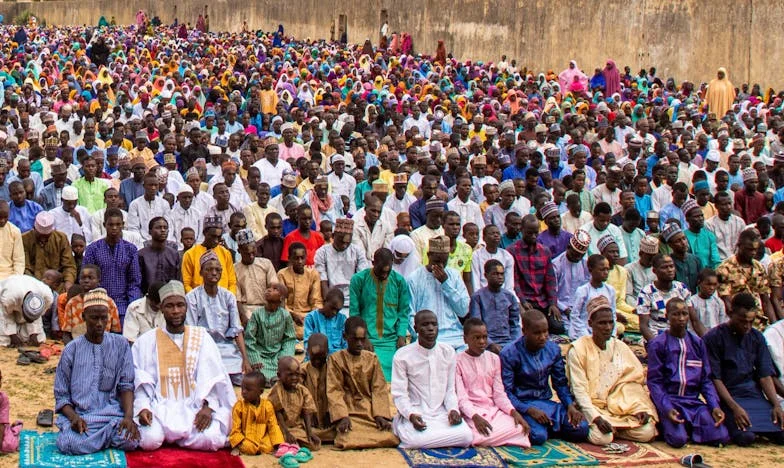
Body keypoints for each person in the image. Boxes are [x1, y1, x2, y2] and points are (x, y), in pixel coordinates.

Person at [132, 280, 237, 451]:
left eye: (180, 305)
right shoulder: (146, 341)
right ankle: (178, 437)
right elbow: (141, 382)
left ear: (186, 307)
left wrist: (208, 407)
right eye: (170, 306)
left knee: (211, 438)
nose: (175, 311)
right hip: (160, 409)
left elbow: (216, 379)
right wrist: (143, 407)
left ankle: (172, 437)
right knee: (149, 440)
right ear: (161, 308)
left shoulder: (202, 337)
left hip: (195, 408)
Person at [54, 288, 139, 454]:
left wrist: (128, 418)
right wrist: (74, 418)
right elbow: (61, 395)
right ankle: (103, 440)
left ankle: (97, 440)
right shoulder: (72, 349)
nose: (99, 323)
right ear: (84, 316)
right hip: (82, 417)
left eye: (103, 318)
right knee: (69, 443)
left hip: (113, 416)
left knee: (131, 440)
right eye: (94, 318)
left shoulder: (121, 345)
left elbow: (126, 385)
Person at [567, 296, 658, 445]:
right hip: (591, 408)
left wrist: (639, 408)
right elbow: (579, 391)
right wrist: (596, 418)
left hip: (619, 408)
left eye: (611, 322)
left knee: (646, 432)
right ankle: (613, 430)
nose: (608, 327)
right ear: (590, 324)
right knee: (603, 438)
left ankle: (616, 429)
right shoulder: (578, 349)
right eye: (602, 323)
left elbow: (632, 383)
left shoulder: (620, 347)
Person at [646, 298, 729, 448]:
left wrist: (714, 406)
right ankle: (674, 427)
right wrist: (666, 408)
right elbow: (655, 382)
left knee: (721, 436)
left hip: (692, 402)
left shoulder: (698, 343)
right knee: (678, 440)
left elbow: (706, 380)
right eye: (676, 314)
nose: (681, 318)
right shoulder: (658, 344)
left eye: (684, 314)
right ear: (667, 316)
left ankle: (690, 427)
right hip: (670, 401)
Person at [704, 293, 784, 446]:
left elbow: (765, 375)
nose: (747, 326)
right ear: (730, 313)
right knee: (746, 437)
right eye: (742, 321)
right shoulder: (714, 337)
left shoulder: (757, 337)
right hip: (728, 397)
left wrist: (776, 405)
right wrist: (734, 408)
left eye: (751, 322)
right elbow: (715, 378)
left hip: (753, 395)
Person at [501, 310, 589, 445]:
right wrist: (529, 410)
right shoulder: (509, 353)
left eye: (545, 332)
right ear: (524, 331)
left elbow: (560, 383)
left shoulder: (553, 349)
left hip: (546, 404)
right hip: (523, 404)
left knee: (582, 428)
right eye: (537, 333)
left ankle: (550, 425)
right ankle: (549, 427)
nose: (543, 337)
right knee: (538, 436)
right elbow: (506, 393)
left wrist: (570, 406)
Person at [391, 310, 473, 449]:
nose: (430, 329)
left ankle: (430, 439)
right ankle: (411, 432)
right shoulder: (402, 356)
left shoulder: (448, 352)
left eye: (434, 324)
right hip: (417, 413)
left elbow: (450, 390)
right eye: (425, 325)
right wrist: (411, 415)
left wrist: (453, 410)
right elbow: (399, 394)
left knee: (466, 436)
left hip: (442, 414)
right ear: (415, 328)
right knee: (414, 440)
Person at [455, 318, 531, 447]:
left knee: (520, 428)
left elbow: (499, 394)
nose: (482, 342)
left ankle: (489, 439)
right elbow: (461, 398)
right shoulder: (457, 361)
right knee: (470, 436)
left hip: (493, 410)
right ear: (465, 339)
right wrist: (475, 416)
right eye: (477, 338)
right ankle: (492, 438)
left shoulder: (494, 359)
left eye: (485, 337)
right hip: (471, 413)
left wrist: (513, 412)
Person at [326, 316, 399, 449]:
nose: (359, 343)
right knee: (346, 438)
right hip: (348, 410)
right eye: (355, 339)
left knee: (390, 437)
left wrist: (380, 415)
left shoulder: (372, 359)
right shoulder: (335, 359)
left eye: (362, 339)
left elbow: (379, 388)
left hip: (369, 410)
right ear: (345, 337)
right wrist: (342, 416)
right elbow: (334, 390)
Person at [349, 248, 411, 380]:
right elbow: (354, 314)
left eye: (388, 272)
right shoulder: (358, 280)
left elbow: (403, 313)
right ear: (373, 263)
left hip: (392, 340)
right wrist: (363, 338)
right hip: (368, 339)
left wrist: (401, 336)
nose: (384, 275)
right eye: (381, 271)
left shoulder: (399, 281)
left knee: (398, 374)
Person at [407, 236, 470, 350]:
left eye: (444, 261)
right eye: (436, 261)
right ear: (428, 255)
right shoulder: (414, 278)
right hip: (426, 338)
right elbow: (410, 314)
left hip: (455, 336)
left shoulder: (454, 276)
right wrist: (419, 335)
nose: (440, 265)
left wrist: (446, 283)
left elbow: (463, 310)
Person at [82, 208, 142, 320]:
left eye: (118, 224)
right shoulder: (93, 249)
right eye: (111, 224)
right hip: (98, 304)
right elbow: (87, 280)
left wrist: (132, 305)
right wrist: (97, 301)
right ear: (105, 225)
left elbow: (134, 281)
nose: (114, 228)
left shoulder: (130, 249)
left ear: (123, 225)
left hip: (123, 305)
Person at [509, 214, 563, 334]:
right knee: (531, 328)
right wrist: (522, 301)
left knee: (558, 327)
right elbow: (514, 282)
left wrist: (553, 304)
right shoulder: (512, 251)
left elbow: (550, 280)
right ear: (522, 230)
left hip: (542, 301)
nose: (533, 236)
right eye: (529, 233)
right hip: (525, 301)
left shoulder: (545, 251)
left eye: (536, 233)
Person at [716, 228, 779, 328]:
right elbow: (727, 301)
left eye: (755, 249)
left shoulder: (759, 267)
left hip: (760, 322)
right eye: (749, 249)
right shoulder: (725, 269)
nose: (753, 253)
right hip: (739, 323)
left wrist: (775, 326)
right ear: (739, 246)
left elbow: (765, 300)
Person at [637, 254, 696, 342]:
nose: (670, 270)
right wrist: (657, 345)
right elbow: (644, 326)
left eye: (671, 266)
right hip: (657, 338)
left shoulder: (681, 288)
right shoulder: (646, 293)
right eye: (664, 267)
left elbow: (694, 319)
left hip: (680, 337)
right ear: (654, 271)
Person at [244, 283, 297, 381]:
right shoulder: (257, 314)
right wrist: (255, 358)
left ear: (281, 298)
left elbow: (290, 339)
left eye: (274, 289)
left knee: (288, 367)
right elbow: (249, 338)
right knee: (258, 371)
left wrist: (284, 356)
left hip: (278, 354)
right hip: (260, 354)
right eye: (268, 288)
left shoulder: (285, 315)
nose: (269, 290)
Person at [268, 356, 322, 451]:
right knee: (280, 440)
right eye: (290, 375)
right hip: (281, 427)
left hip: (297, 427)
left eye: (297, 374)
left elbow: (306, 412)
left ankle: (294, 443)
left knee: (314, 445)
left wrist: (309, 432)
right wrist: (286, 432)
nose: (294, 378)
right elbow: (278, 412)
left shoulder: (302, 390)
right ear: (279, 375)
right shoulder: (278, 389)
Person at [314, 218, 369, 310]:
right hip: (331, 298)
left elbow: (360, 281)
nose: (344, 245)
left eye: (347, 242)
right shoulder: (322, 252)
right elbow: (323, 281)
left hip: (353, 298)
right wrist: (330, 304)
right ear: (333, 235)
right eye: (341, 241)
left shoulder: (357, 251)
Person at [468, 259, 521, 352]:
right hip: (485, 343)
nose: (500, 277)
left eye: (501, 274)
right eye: (495, 274)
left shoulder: (510, 297)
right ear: (486, 276)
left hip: (508, 342)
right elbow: (476, 325)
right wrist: (490, 344)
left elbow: (515, 325)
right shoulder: (477, 297)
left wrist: (513, 344)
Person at [228, 371, 284, 455]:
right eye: (242, 388)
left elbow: (273, 426)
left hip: (262, 438)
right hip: (246, 439)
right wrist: (236, 444)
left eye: (248, 389)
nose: (243, 392)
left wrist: (277, 444)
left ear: (260, 391)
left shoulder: (267, 406)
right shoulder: (239, 406)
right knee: (248, 446)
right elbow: (236, 428)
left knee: (268, 446)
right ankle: (241, 448)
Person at [278, 242, 323, 342]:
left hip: (307, 317)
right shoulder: (282, 274)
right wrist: (292, 315)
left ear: (306, 257)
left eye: (302, 258)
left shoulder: (313, 274)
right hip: (288, 316)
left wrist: (311, 318)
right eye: (296, 258)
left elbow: (316, 301)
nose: (300, 261)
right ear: (289, 258)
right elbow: (281, 303)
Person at [22, 212, 77, 291]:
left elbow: (69, 266)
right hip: (32, 284)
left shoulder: (61, 238)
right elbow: (24, 267)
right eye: (40, 236)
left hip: (57, 286)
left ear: (53, 230)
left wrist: (68, 283)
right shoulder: (24, 239)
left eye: (46, 236)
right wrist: (36, 285)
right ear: (34, 228)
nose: (43, 239)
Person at [181, 216, 236, 294]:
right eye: (213, 236)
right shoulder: (190, 254)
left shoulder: (225, 253)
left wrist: (228, 298)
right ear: (204, 233)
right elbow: (186, 284)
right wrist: (196, 299)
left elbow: (232, 282)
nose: (216, 241)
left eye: (219, 237)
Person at [234, 229, 277, 324]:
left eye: (253, 252)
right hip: (247, 310)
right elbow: (237, 299)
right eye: (247, 253)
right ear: (239, 251)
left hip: (267, 307)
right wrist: (243, 317)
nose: (251, 256)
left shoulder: (266, 263)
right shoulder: (234, 269)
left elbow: (274, 288)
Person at [569, 254, 615, 340]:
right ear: (591, 270)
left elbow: (613, 314)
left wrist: (612, 334)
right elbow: (575, 315)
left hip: (603, 330)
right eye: (602, 269)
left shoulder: (610, 290)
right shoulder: (583, 290)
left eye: (607, 269)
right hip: (583, 331)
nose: (606, 272)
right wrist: (587, 335)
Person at [0, 274, 52, 347]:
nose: (30, 321)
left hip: (23, 295)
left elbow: (37, 316)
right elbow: (6, 316)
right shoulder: (10, 298)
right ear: (22, 307)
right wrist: (13, 335)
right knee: (4, 341)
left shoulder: (47, 297)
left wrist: (34, 334)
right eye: (28, 317)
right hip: (3, 302)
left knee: (40, 339)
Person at [301, 334, 335, 442]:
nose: (317, 361)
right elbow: (297, 395)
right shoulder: (302, 371)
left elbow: (338, 392)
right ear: (307, 351)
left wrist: (332, 412)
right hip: (308, 421)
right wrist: (309, 413)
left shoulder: (333, 369)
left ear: (327, 352)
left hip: (329, 422)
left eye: (321, 358)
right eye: (314, 357)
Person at [138, 217, 181, 294]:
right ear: (150, 231)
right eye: (158, 227)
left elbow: (177, 281)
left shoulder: (174, 254)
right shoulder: (141, 255)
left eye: (165, 227)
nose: (163, 230)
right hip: (147, 298)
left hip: (169, 297)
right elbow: (138, 283)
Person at [471, 224, 515, 292]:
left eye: (498, 233)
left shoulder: (507, 256)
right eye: (492, 233)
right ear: (484, 238)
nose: (496, 235)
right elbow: (475, 280)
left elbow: (509, 284)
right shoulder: (476, 255)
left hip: (502, 294)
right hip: (482, 293)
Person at [304, 288, 347, 355]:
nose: (334, 312)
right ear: (325, 302)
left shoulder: (342, 319)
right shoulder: (311, 318)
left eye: (338, 310)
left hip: (338, 358)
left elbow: (345, 344)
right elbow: (307, 343)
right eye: (332, 308)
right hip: (318, 357)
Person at [705, 191, 746, 261]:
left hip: (738, 261)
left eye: (729, 203)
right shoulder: (709, 224)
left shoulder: (739, 222)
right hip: (719, 262)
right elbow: (710, 248)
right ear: (716, 206)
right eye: (724, 204)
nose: (728, 207)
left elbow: (742, 244)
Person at [682, 198, 721, 270]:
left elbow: (715, 259)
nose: (700, 218)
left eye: (701, 215)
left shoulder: (709, 235)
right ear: (687, 219)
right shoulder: (683, 237)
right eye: (696, 216)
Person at [690, 269, 726, 334]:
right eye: (708, 284)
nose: (712, 288)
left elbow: (721, 324)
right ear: (699, 283)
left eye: (714, 285)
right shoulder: (691, 302)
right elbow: (692, 325)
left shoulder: (719, 302)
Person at [0, 200, 24, 280]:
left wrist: (15, 280)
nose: (2, 220)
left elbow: (19, 261)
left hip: (9, 277)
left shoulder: (15, 231)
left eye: (5, 217)